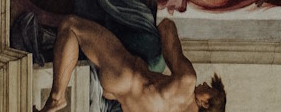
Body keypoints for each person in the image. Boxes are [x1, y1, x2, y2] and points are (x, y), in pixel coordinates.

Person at [36, 13, 225, 112]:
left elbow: (166, 27)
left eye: (209, 89)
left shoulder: (187, 81)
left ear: (205, 103)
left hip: (126, 72)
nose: (204, 83)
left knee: (70, 25)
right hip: (115, 92)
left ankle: (57, 97)